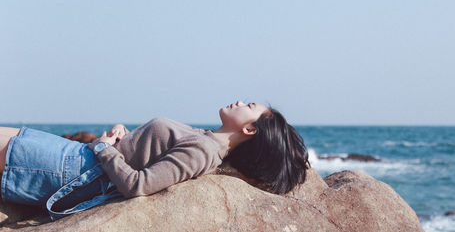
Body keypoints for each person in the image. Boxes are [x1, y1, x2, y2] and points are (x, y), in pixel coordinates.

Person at [0, 100, 309, 220]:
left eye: (249, 105)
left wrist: (104, 149)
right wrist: (123, 137)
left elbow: (139, 184)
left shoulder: (203, 152)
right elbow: (146, 155)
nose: (240, 101)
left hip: (73, 168)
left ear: (250, 128)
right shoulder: (204, 138)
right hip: (75, 159)